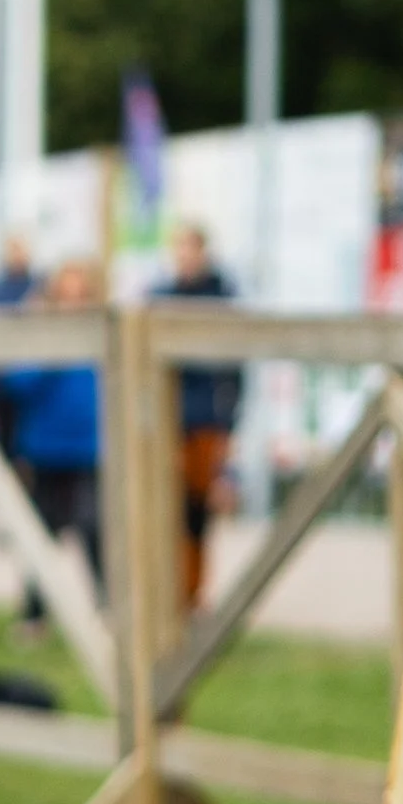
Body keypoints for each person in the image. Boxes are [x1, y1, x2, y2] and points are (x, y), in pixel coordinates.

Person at [0, 255, 104, 592]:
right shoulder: (38, 334)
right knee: (39, 535)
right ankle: (35, 612)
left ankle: (107, 604)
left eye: (80, 295)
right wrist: (49, 356)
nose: (72, 303)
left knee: (94, 528)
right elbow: (15, 385)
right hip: (44, 448)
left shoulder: (100, 333)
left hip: (88, 449)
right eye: (66, 295)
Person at [159, 223, 243, 609]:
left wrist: (229, 429)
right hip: (169, 420)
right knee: (167, 509)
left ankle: (194, 594)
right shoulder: (162, 296)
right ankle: (172, 591)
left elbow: (231, 372)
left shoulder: (221, 297)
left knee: (199, 513)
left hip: (206, 419)